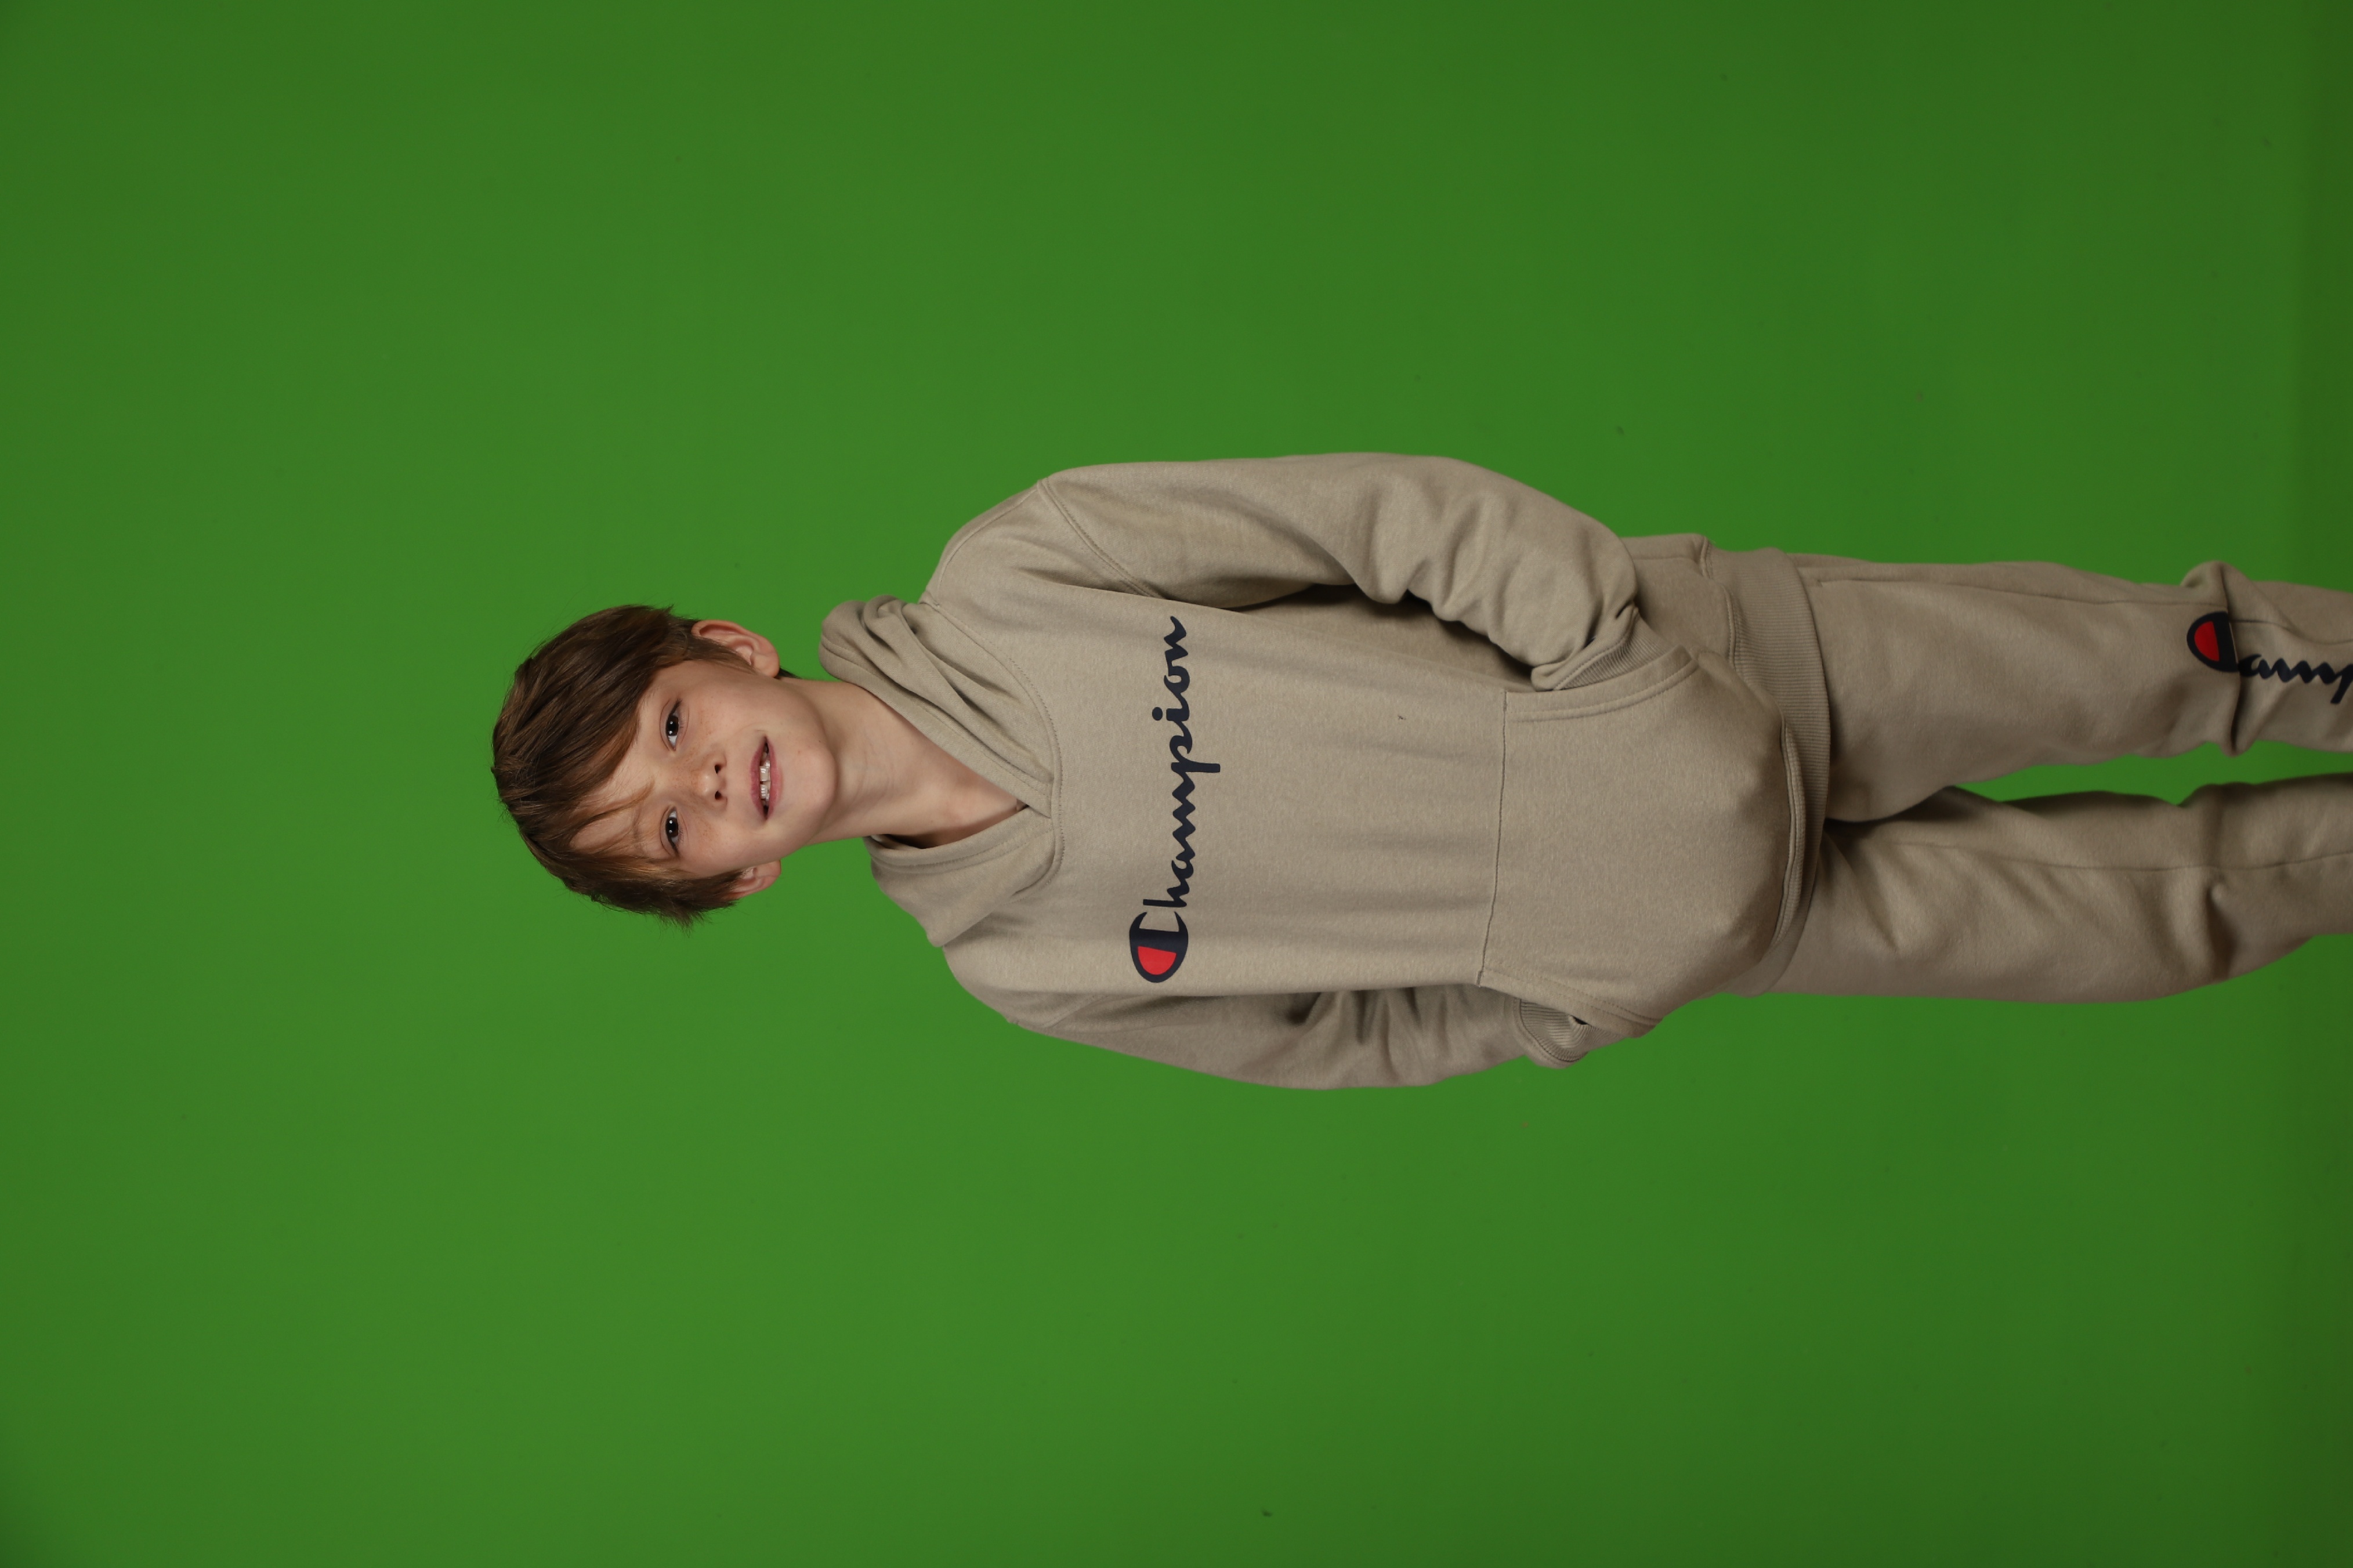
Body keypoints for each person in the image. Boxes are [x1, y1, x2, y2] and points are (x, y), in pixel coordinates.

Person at [490, 455, 2353, 1087]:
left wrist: (1619, 669)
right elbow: (1337, 1039)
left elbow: (1390, 521)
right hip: (1744, 921)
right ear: (731, 880)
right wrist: (1577, 993)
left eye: (671, 730)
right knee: (2169, 922)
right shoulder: (1018, 964)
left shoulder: (1021, 568)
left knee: (2171, 663)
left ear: (726, 650)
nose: (703, 785)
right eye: (667, 831)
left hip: (1746, 666)